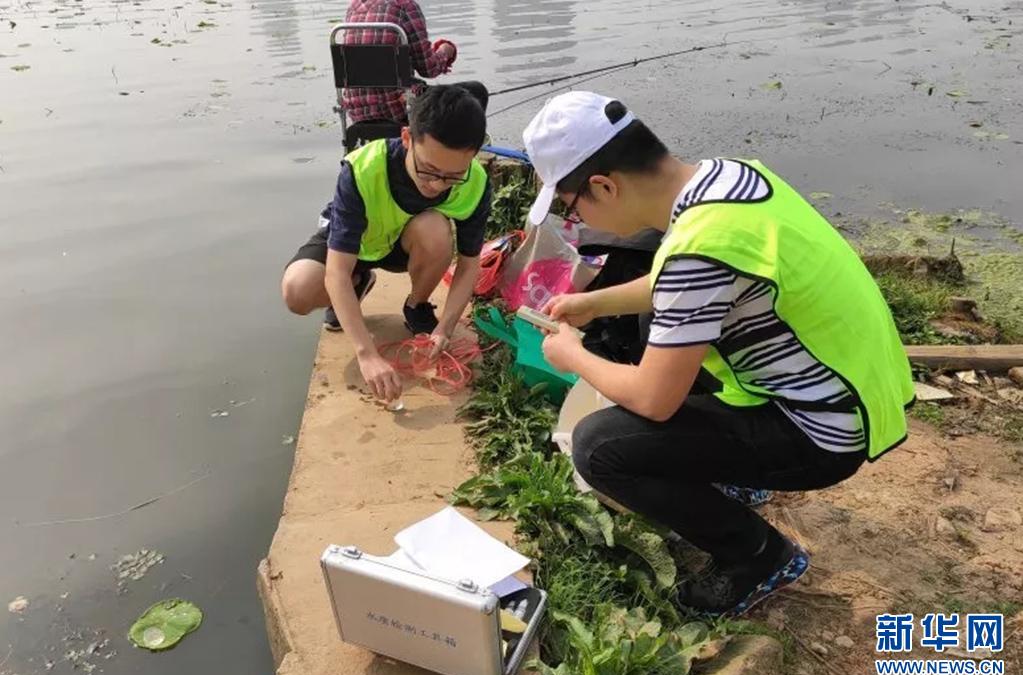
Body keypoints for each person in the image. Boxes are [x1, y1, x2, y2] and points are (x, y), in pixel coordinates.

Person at [523, 91, 914, 616]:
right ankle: (734, 475)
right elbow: (680, 286)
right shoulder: (729, 179)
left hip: (822, 433)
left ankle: (758, 556)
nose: (575, 221)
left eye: (571, 208)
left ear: (604, 186)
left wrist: (573, 356)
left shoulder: (697, 249)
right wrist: (595, 303)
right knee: (653, 324)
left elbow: (654, 398)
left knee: (599, 448)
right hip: (852, 390)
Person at [281, 85, 491, 403]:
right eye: (428, 169)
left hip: (405, 244)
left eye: (452, 176)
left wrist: (445, 329)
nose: (436, 185)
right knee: (297, 292)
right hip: (355, 244)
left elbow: (469, 263)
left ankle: (417, 306)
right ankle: (360, 281)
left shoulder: (476, 183)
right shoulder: (363, 169)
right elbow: (336, 271)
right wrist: (367, 353)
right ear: (407, 139)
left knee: (436, 228)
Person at [341, 0, 489, 125]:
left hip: (358, 114)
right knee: (476, 91)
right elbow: (429, 68)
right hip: (399, 111)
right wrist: (446, 50)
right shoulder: (405, 7)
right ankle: (463, 146)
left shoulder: (354, 7)